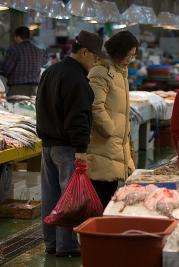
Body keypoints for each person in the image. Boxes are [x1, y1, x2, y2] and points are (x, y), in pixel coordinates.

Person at [36, 31, 104, 257]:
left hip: (47, 146)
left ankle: (51, 243)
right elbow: (78, 118)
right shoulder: (76, 79)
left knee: (51, 197)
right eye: (95, 58)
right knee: (69, 198)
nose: (96, 63)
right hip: (67, 148)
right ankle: (66, 246)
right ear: (84, 52)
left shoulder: (51, 71)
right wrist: (81, 149)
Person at [87, 31, 137, 208]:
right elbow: (95, 106)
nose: (131, 59)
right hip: (103, 144)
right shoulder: (100, 72)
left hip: (115, 146)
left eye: (133, 55)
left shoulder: (120, 73)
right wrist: (110, 129)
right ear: (118, 51)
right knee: (101, 198)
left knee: (110, 198)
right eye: (129, 54)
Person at [1, 26, 48, 99]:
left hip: (17, 89)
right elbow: (45, 61)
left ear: (18, 37)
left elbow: (6, 70)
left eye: (15, 37)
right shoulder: (38, 51)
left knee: (15, 110)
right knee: (30, 109)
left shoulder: (14, 50)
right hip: (34, 90)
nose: (14, 39)